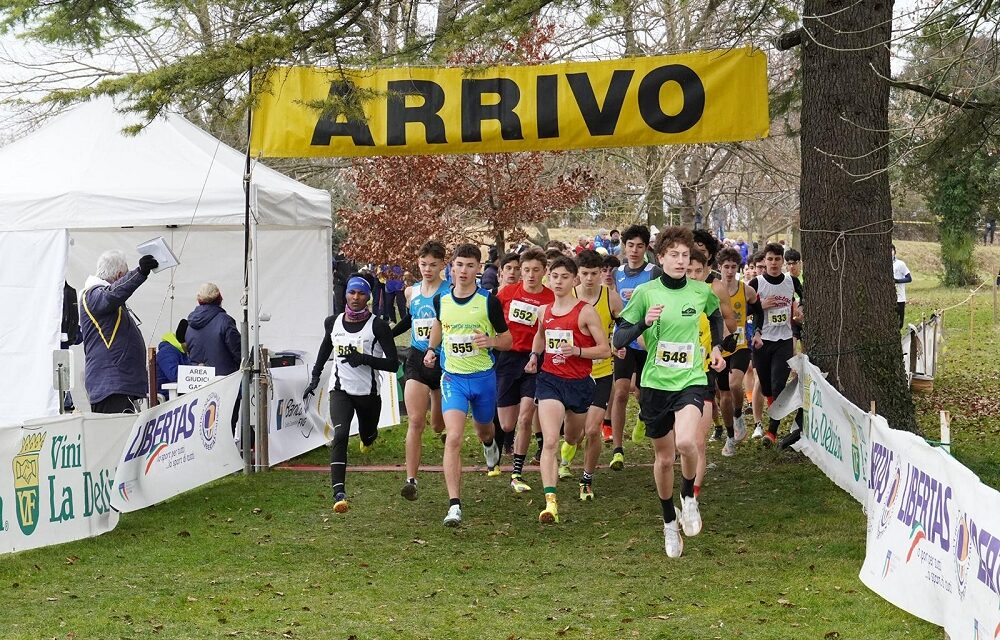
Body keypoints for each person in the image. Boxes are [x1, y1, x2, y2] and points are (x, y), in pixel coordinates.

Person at [613, 226, 725, 558]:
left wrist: (716, 348)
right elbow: (619, 339)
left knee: (688, 442)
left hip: (690, 379)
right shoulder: (645, 293)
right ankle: (668, 521)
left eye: (685, 255)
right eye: (673, 255)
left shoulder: (700, 291)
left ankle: (688, 497)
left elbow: (715, 316)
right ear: (660, 258)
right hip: (655, 384)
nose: (680, 261)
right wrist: (644, 323)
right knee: (664, 459)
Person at [423, 243, 513, 526]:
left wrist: (492, 341)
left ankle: (489, 444)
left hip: (483, 378)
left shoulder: (489, 302)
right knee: (454, 437)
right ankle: (454, 505)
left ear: (478, 269)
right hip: (453, 379)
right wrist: (431, 349)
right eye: (459, 265)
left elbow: (508, 340)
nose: (463, 271)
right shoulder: (441, 300)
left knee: (484, 428)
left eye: (470, 266)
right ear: (452, 267)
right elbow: (440, 324)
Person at [524, 256, 610, 523]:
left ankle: (575, 457)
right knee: (550, 440)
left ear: (574, 280)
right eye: (554, 276)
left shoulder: (585, 311)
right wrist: (534, 355)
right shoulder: (544, 311)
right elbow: (540, 336)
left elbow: (604, 349)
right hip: (550, 381)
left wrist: (577, 351)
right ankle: (550, 502)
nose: (558, 281)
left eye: (564, 277)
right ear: (548, 279)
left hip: (579, 383)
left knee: (573, 437)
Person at [303, 276, 399, 513]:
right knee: (340, 433)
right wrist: (314, 379)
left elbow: (393, 364)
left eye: (361, 294)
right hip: (340, 390)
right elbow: (324, 351)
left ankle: (369, 438)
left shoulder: (378, 326)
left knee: (367, 434)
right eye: (352, 292)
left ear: (369, 298)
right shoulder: (333, 322)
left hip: (368, 393)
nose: (356, 298)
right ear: (345, 294)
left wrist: (364, 359)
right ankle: (339, 493)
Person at [558, 250, 622, 499]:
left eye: (594, 273)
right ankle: (567, 452)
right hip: (573, 373)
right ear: (577, 274)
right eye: (584, 273)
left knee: (593, 430)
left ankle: (586, 479)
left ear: (601, 273)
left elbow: (624, 327)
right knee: (573, 434)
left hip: (602, 372)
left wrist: (622, 344)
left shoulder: (611, 297)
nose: (589, 278)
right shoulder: (568, 296)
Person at [392, 241, 450, 501]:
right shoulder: (410, 292)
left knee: (437, 425)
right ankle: (411, 480)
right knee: (415, 421)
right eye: (423, 264)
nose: (427, 269)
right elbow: (411, 319)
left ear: (442, 265)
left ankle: (436, 395)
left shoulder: (449, 292)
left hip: (442, 358)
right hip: (416, 357)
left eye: (433, 265)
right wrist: (389, 334)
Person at [495, 247, 554, 492]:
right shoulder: (507, 293)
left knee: (526, 416)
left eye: (535, 270)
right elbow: (492, 320)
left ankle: (516, 473)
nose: (530, 275)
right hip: (508, 359)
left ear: (544, 271)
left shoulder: (550, 298)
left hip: (535, 360)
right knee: (507, 424)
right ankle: (496, 443)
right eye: (526, 270)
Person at [80, 251, 158, 413]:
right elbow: (111, 295)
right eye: (125, 276)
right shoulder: (93, 294)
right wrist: (139, 273)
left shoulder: (99, 296)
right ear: (119, 275)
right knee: (117, 429)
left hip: (118, 386)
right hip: (112, 387)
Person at [610, 224, 661, 470]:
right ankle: (617, 449)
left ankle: (643, 416)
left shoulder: (654, 272)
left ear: (646, 248)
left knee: (643, 394)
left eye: (640, 246)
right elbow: (613, 306)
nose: (634, 250)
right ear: (624, 246)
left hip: (646, 341)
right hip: (625, 339)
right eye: (630, 245)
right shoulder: (617, 273)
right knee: (620, 392)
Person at [747, 243, 804, 447]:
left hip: (784, 340)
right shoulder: (756, 282)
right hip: (762, 341)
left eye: (777, 259)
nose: (773, 263)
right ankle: (773, 414)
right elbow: (742, 309)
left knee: (778, 383)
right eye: (770, 259)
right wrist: (760, 306)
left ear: (782, 262)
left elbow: (804, 296)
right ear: (764, 261)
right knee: (767, 387)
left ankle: (771, 431)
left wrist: (800, 309)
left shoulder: (791, 281)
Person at [716, 247, 758, 456]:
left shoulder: (746, 290)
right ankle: (730, 437)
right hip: (719, 348)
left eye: (734, 267)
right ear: (719, 268)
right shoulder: (712, 291)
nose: (730, 271)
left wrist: (757, 331)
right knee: (724, 396)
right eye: (726, 267)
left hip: (741, 345)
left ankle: (739, 414)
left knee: (734, 383)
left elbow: (758, 310)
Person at [185, 283, 241, 376]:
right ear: (219, 299)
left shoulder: (190, 324)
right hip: (224, 379)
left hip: (198, 378)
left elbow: (190, 351)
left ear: (199, 300)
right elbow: (238, 351)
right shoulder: (225, 321)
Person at [156, 319, 191, 399]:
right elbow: (174, 375)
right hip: (166, 397)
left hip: (177, 394)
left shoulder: (181, 352)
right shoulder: (167, 352)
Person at [892, 244, 911, 330]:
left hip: (899, 297)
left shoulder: (900, 264)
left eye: (891, 250)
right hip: (886, 298)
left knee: (899, 322)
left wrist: (897, 281)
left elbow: (909, 278)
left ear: (895, 252)